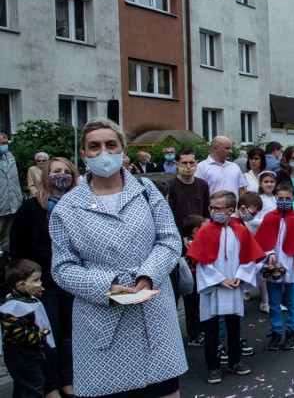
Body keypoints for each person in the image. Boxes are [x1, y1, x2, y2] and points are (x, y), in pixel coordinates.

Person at [49, 118, 186, 397]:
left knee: (163, 391)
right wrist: (105, 285)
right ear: (83, 154)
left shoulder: (147, 191)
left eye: (111, 145)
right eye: (94, 146)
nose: (103, 153)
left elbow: (169, 239)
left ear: (123, 150)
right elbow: (62, 267)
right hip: (101, 318)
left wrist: (148, 273)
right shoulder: (68, 206)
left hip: (152, 311)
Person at [10, 156, 78, 398]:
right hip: (43, 285)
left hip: (72, 282)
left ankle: (67, 381)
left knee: (70, 338)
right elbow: (17, 249)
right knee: (50, 338)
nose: (62, 175)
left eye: (66, 171)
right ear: (46, 176)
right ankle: (50, 386)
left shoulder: (79, 207)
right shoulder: (30, 209)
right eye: (56, 171)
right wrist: (28, 280)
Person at [186, 190, 265, 384]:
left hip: (233, 284)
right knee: (212, 328)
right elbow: (201, 262)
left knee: (233, 326)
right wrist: (220, 280)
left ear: (230, 210)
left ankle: (235, 361)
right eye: (211, 208)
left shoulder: (241, 231)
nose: (213, 211)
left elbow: (248, 258)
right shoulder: (204, 231)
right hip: (214, 286)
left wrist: (239, 277)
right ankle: (212, 366)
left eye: (218, 208)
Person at [254, 181, 294, 351]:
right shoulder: (269, 217)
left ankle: (291, 332)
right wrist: (269, 254)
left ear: (293, 198)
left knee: (293, 302)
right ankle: (275, 332)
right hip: (274, 267)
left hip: (292, 265)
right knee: (274, 302)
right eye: (280, 198)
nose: (283, 201)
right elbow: (262, 242)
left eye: (287, 198)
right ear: (276, 197)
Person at [1, 259, 54, 398]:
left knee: (23, 386)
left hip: (30, 352)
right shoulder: (13, 306)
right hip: (21, 354)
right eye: (36, 280)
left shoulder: (27, 298)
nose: (40, 284)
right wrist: (42, 335)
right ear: (22, 284)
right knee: (33, 387)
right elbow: (17, 333)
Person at [168, 148, 211, 229]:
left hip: (200, 233)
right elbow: (169, 216)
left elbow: (207, 211)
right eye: (184, 163)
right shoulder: (170, 186)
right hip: (180, 234)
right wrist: (180, 237)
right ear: (177, 164)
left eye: (191, 162)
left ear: (196, 163)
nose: (188, 166)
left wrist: (205, 229)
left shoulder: (203, 185)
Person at [179, 214, 205, 347]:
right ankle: (194, 335)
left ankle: (198, 331)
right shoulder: (192, 244)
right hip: (192, 278)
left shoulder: (184, 242)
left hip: (190, 279)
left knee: (195, 307)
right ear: (196, 230)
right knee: (193, 308)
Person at [0, 132, 23, 252]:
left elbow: (15, 180)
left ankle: (5, 263)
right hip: (1, 204)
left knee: (10, 237)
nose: (4, 145)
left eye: (5, 143)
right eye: (1, 143)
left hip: (13, 203)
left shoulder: (9, 156)